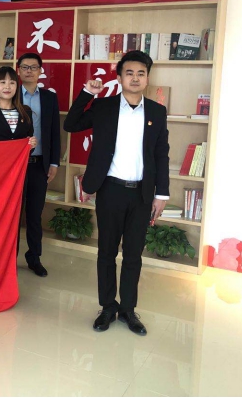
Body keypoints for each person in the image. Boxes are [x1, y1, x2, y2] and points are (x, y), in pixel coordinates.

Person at [63, 50, 170, 336]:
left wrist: (162, 194)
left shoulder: (157, 112)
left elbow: (161, 154)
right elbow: (70, 124)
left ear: (147, 78)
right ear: (120, 77)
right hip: (110, 189)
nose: (135, 78)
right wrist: (88, 93)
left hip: (142, 194)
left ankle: (128, 310)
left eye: (141, 73)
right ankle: (108, 307)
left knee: (133, 255)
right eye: (129, 73)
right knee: (107, 252)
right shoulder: (104, 107)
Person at [17, 52, 61, 277]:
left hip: (38, 164)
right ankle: (8, 259)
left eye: (33, 67)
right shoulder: (10, 93)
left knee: (35, 215)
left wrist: (54, 162)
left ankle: (34, 258)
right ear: (18, 70)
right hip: (14, 166)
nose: (29, 71)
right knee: (13, 216)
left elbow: (54, 132)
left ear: (40, 71)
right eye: (25, 67)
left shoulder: (49, 98)